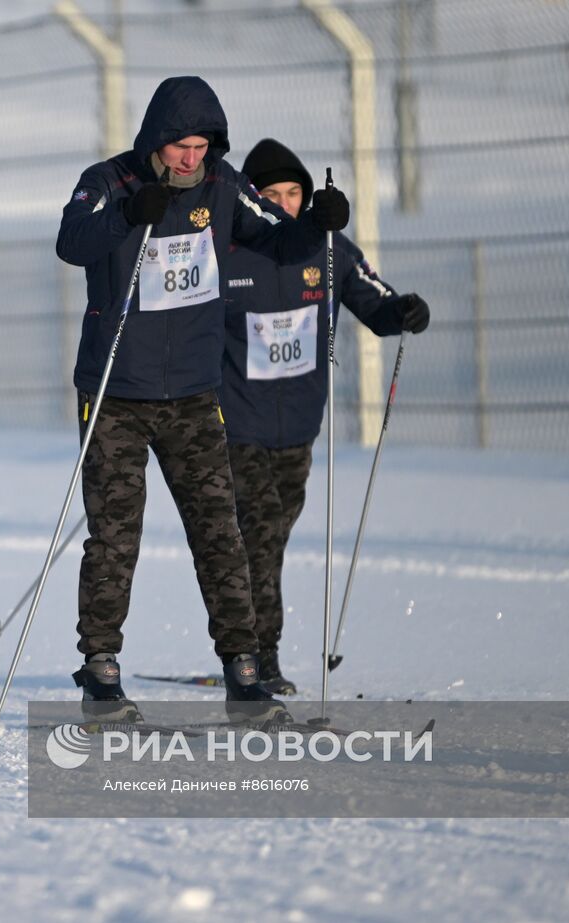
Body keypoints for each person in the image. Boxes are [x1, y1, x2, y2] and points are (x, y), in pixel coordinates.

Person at [55, 76, 351, 721]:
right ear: (156, 140)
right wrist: (129, 214)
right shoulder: (111, 181)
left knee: (220, 532)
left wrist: (319, 227)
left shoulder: (225, 184)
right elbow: (72, 241)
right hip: (117, 392)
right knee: (114, 536)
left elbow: (277, 238)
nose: (190, 159)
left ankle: (243, 671)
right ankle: (101, 670)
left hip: (193, 392)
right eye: (179, 146)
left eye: (201, 146)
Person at [219, 138, 430, 694]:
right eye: (271, 195)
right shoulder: (230, 251)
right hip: (234, 426)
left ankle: (242, 640)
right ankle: (259, 661)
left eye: (294, 194)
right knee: (260, 535)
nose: (285, 205)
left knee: (269, 541)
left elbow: (376, 303)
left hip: (298, 429)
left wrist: (403, 310)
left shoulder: (331, 251)